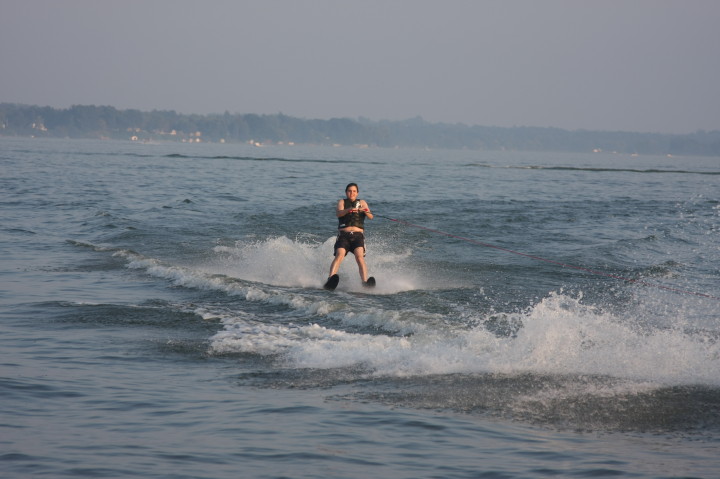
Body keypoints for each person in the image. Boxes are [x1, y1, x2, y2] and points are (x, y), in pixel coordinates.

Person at [324, 183, 375, 289]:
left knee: (359, 257)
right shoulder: (342, 202)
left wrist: (364, 210)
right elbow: (339, 214)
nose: (352, 193)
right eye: (349, 191)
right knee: (340, 255)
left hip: (358, 236)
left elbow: (371, 216)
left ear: (357, 193)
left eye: (354, 191)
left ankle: (365, 282)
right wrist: (349, 210)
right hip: (344, 235)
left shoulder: (362, 202)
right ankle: (330, 279)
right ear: (346, 192)